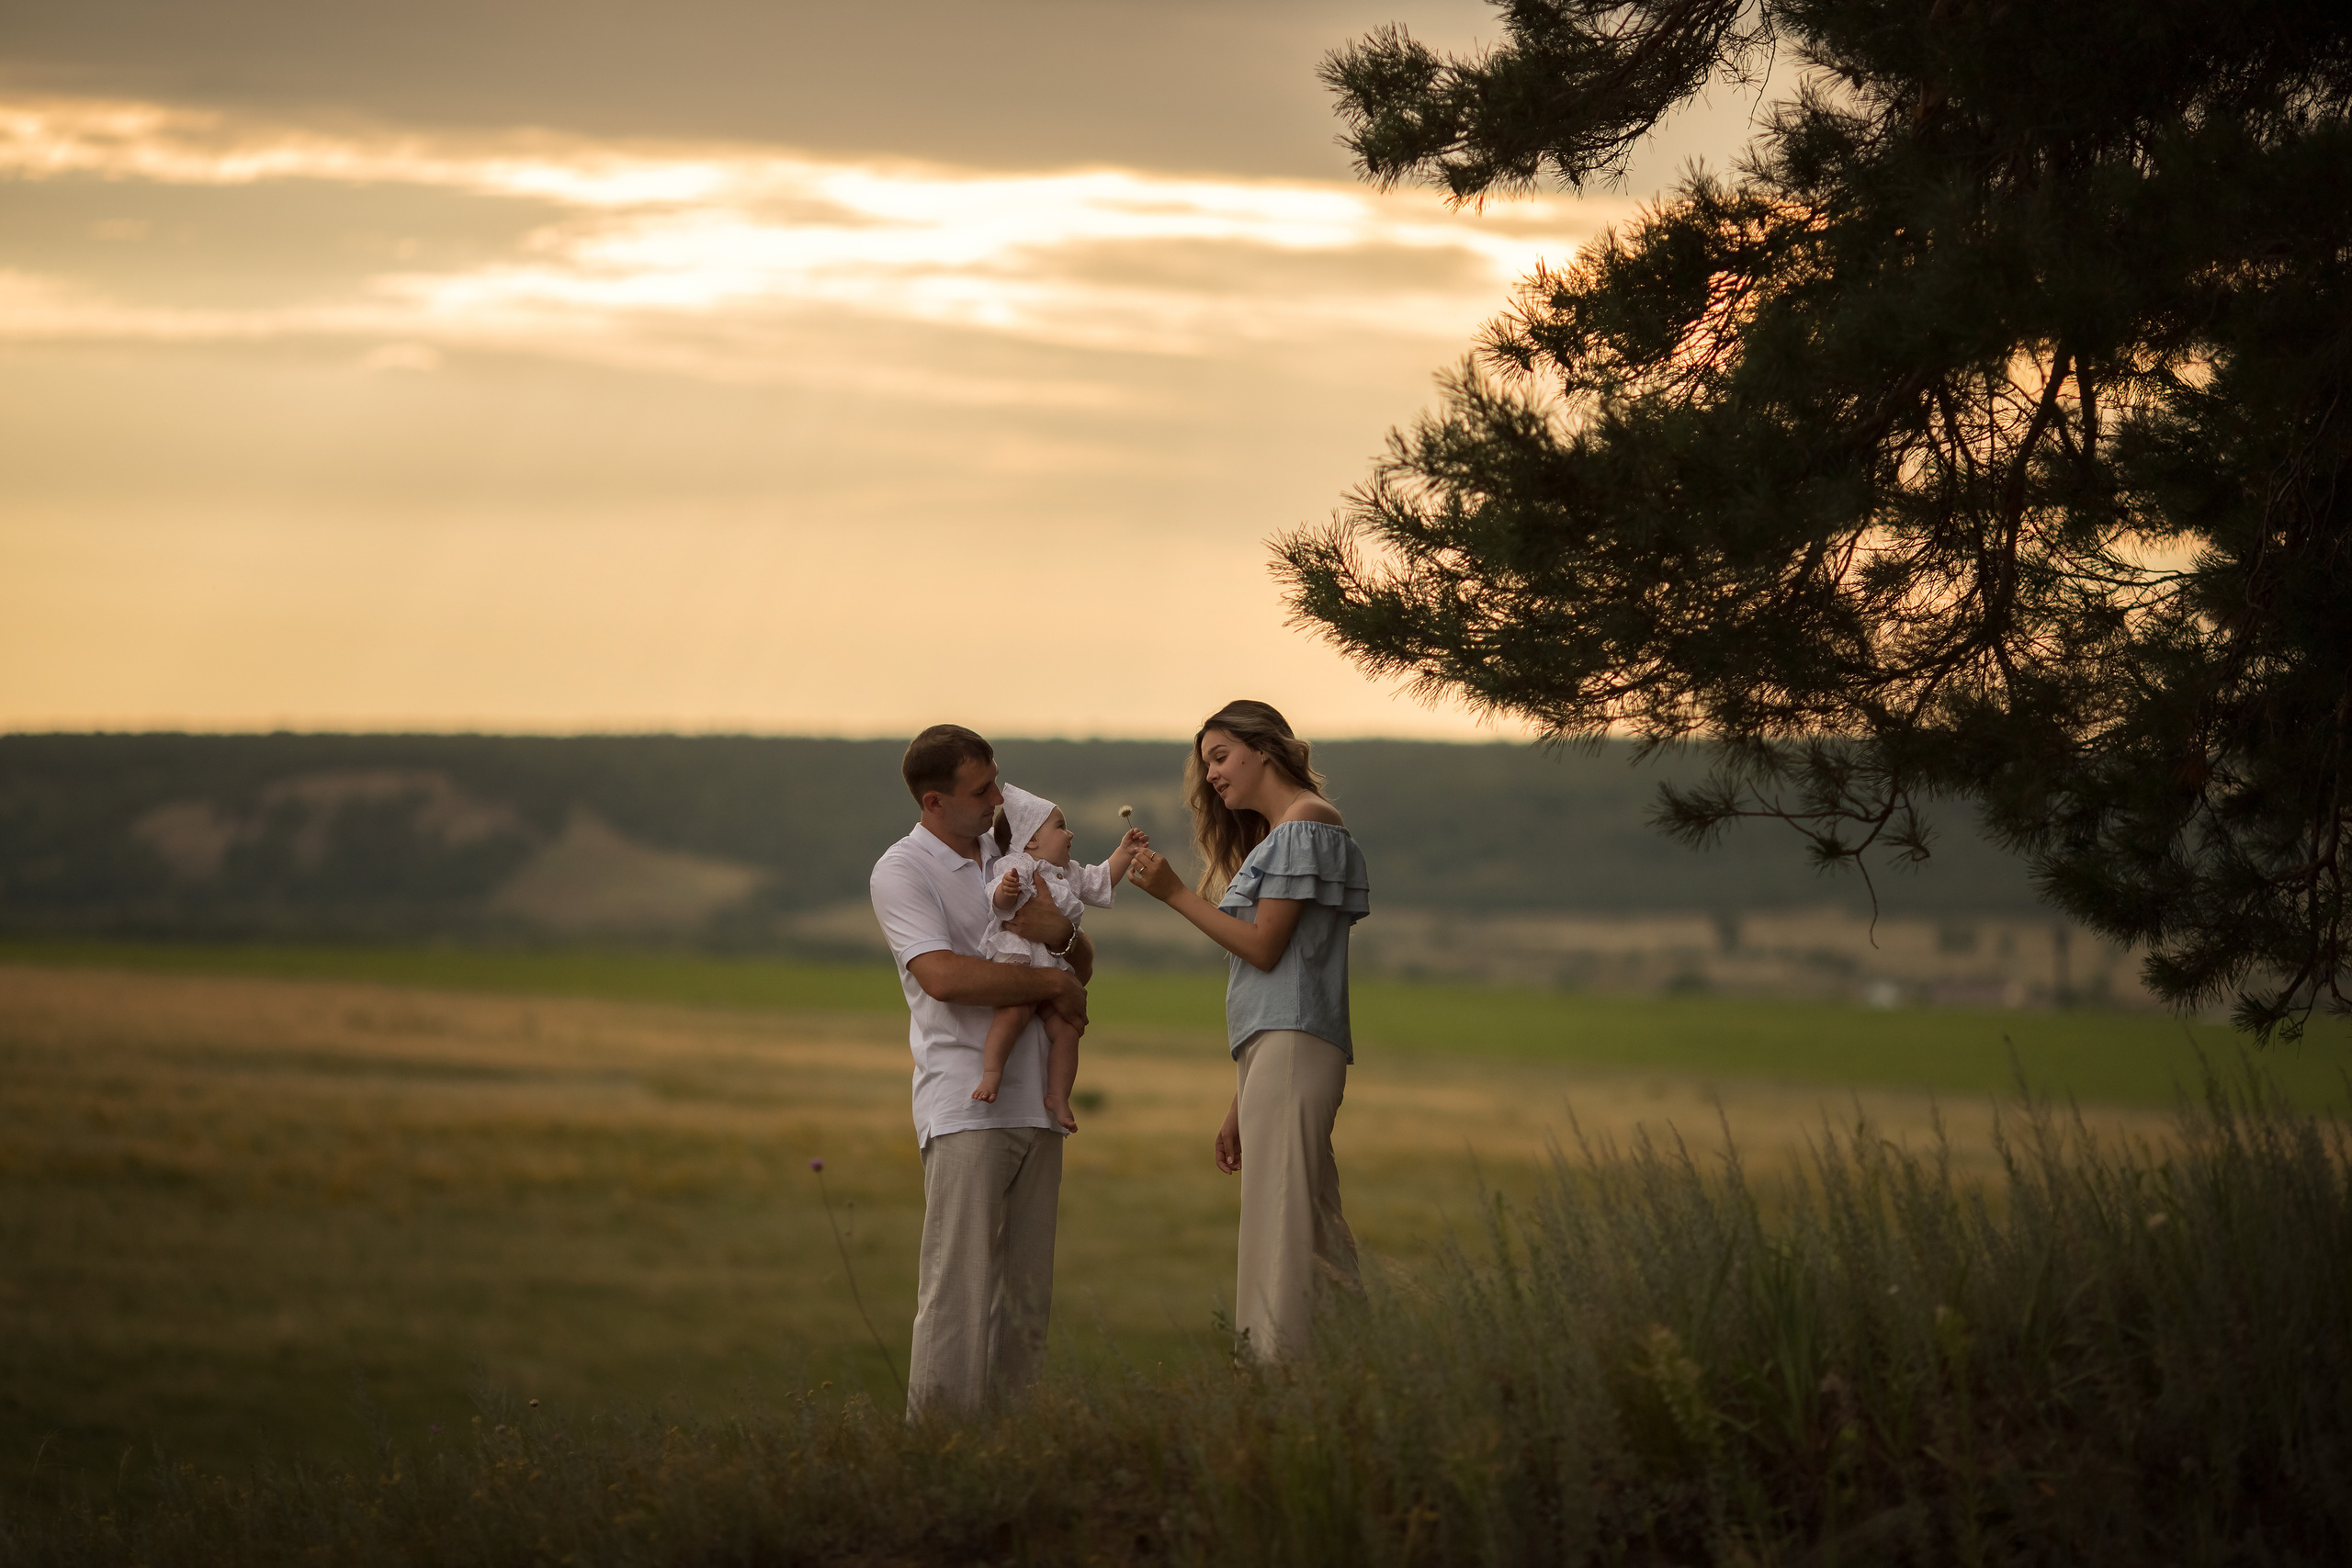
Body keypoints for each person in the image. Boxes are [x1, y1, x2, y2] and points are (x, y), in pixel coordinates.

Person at [1125, 700, 1370, 1360]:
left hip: (1294, 1047)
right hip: (1276, 1049)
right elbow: (1282, 979)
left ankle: (1277, 1376)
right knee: (1303, 1218)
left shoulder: (1307, 823)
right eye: (1206, 765)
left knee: (1284, 1223)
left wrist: (1178, 894)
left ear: (1264, 748)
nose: (1212, 776)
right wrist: (1241, 1097)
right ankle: (1346, 1369)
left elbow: (1264, 949)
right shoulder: (1279, 837)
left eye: (1220, 756)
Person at [868, 725, 1092, 1416]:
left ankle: (1011, 1455)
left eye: (997, 780)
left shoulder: (1015, 855)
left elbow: (1077, 970)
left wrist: (1063, 938)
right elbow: (941, 976)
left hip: (1038, 1107)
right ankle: (937, 1457)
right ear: (934, 802)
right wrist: (1050, 987)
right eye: (981, 789)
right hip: (967, 1100)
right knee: (957, 1292)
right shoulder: (902, 870)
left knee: (1027, 1298)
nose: (998, 798)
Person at [970, 784, 1145, 1132]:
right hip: (1020, 963)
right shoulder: (1015, 864)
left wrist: (1124, 853)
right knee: (1012, 1014)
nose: (1070, 833)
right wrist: (1005, 893)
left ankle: (1058, 1095)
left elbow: (1100, 881)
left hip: (1054, 966)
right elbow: (996, 899)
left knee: (1067, 1030)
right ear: (1031, 840)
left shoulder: (1070, 872)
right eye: (1060, 826)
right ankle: (991, 1075)